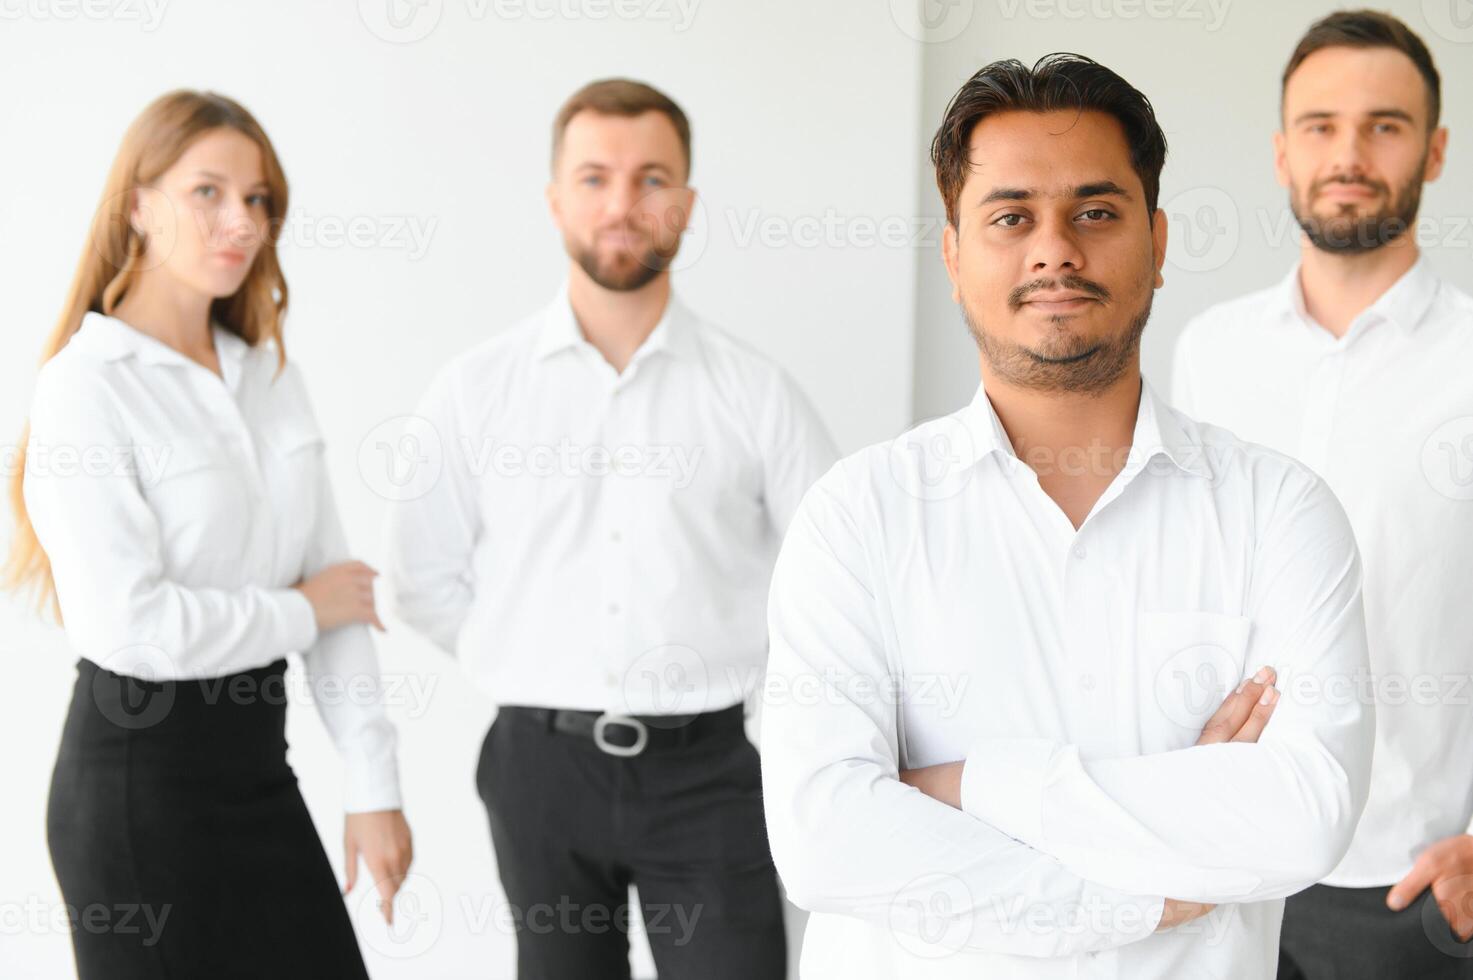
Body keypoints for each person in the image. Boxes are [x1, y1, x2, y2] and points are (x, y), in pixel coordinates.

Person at [761, 53, 1376, 979]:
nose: (1054, 248)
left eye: (1095, 211)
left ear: (1159, 243)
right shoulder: (857, 517)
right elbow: (825, 839)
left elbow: (1303, 813)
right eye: (1010, 217)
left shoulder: (1280, 513)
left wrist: (965, 788)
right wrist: (1135, 895)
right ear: (955, 255)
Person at [386, 78, 836, 977]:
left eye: (651, 178)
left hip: (709, 773)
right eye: (594, 177)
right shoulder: (475, 392)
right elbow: (421, 580)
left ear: (688, 204)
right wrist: (528, 659)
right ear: (556, 200)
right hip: (538, 773)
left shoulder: (755, 395)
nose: (622, 204)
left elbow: (832, 586)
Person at [4, 89, 412, 980]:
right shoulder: (88, 386)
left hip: (261, 778)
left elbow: (340, 593)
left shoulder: (270, 379)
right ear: (138, 205)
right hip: (135, 796)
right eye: (209, 192)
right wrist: (300, 610)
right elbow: (132, 629)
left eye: (259, 198)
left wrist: (373, 787)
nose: (242, 220)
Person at [1172, 10, 1473, 977]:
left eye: (1383, 126)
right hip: (1224, 857)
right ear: (1279, 151)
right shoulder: (1207, 351)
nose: (1347, 153)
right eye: (1319, 125)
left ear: (1431, 152)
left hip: (1407, 882)